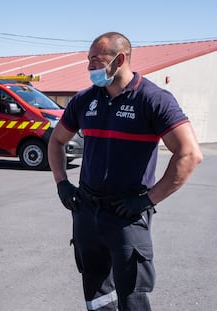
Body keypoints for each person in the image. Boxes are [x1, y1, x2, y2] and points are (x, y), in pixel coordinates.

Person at [48, 32, 203, 311]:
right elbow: (56, 141)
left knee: (132, 294)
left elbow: (190, 153)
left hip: (126, 214)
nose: (89, 67)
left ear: (119, 59)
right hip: (86, 211)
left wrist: (148, 199)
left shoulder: (153, 99)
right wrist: (62, 183)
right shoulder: (84, 101)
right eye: (88, 60)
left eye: (96, 60)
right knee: (95, 288)